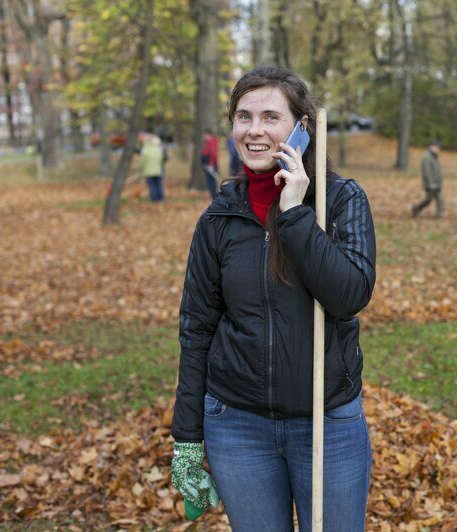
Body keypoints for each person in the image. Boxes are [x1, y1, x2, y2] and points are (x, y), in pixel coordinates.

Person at [171, 65, 376, 532]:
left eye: (270, 116)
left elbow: (350, 295)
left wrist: (294, 214)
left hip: (328, 423)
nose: (255, 130)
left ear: (302, 127)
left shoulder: (340, 200)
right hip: (237, 426)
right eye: (244, 117)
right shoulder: (219, 219)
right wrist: (187, 436)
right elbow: (196, 328)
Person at [411, 140, 444, 218]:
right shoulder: (427, 157)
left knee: (430, 199)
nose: (438, 149)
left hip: (435, 183)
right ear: (431, 147)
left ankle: (416, 208)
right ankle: (440, 215)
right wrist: (431, 183)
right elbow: (427, 171)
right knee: (435, 198)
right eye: (436, 147)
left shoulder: (433, 156)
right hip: (431, 184)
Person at [140, 134, 165, 201]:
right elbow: (161, 159)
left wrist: (143, 169)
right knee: (158, 185)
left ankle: (154, 198)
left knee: (152, 186)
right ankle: (160, 198)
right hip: (158, 171)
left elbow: (143, 162)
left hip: (149, 171)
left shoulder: (145, 151)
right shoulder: (158, 150)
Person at [200, 128, 220, 199]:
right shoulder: (208, 142)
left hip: (211, 165)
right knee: (210, 182)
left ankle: (214, 196)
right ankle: (213, 196)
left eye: (205, 135)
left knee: (211, 182)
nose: (204, 137)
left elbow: (213, 154)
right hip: (208, 165)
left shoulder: (211, 142)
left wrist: (211, 164)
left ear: (209, 135)